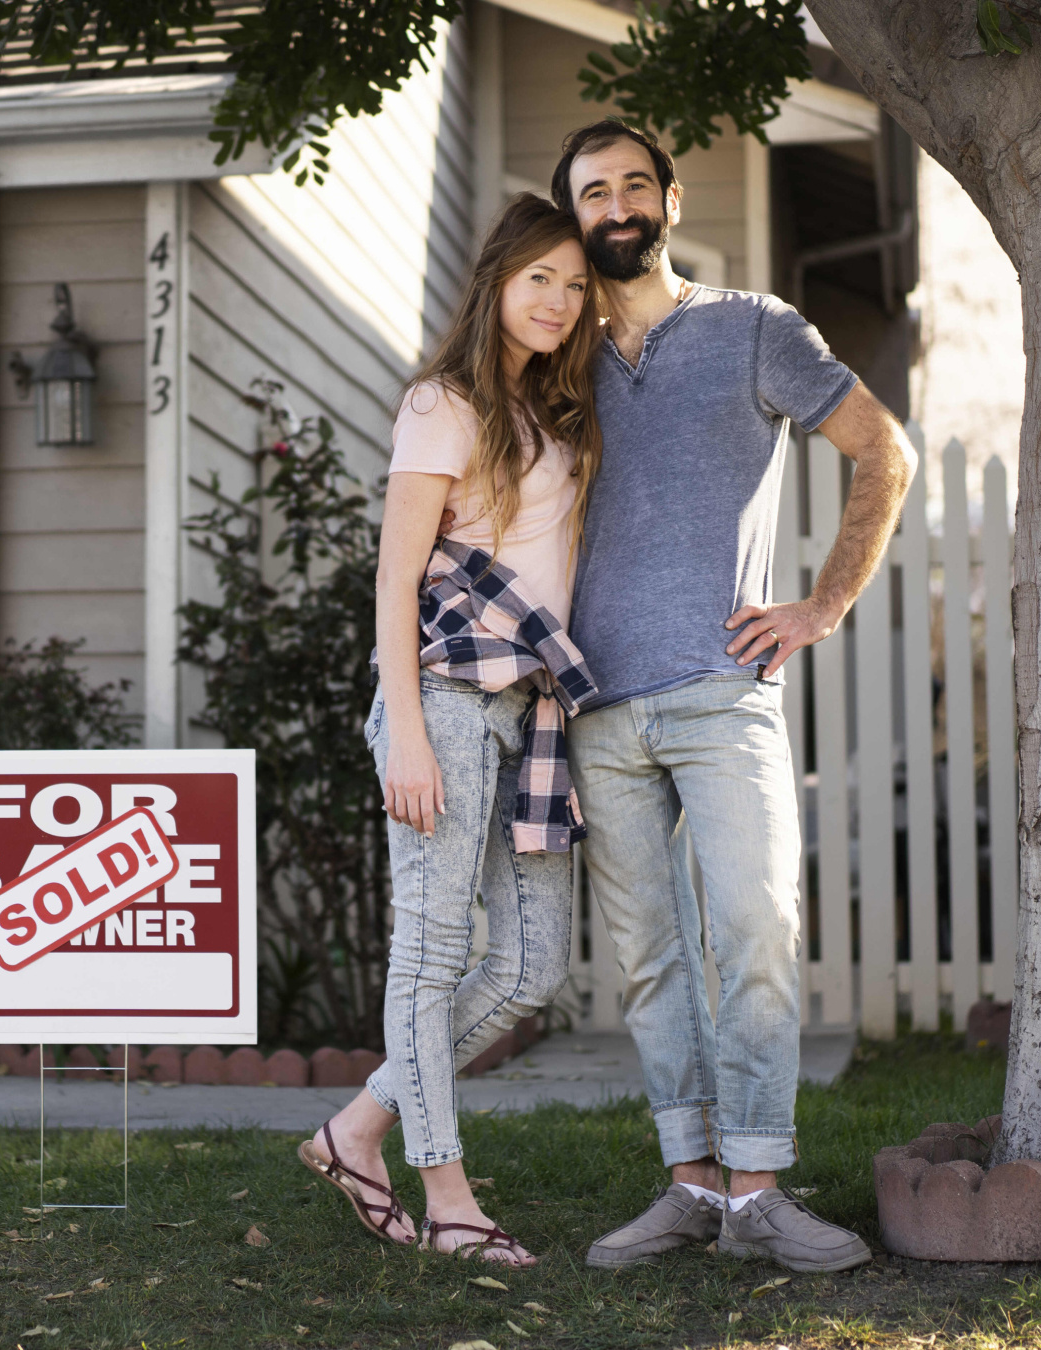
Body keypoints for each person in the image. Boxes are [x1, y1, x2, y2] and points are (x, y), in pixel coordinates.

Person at [549, 119, 916, 1274]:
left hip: (721, 691)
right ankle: (691, 1187)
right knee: (651, 960)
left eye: (632, 185)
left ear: (668, 196)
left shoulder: (754, 330)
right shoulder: (554, 355)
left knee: (756, 929)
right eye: (591, 193)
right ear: (574, 217)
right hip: (596, 708)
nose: (615, 206)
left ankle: (758, 1188)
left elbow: (881, 448)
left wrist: (823, 605)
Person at [299, 194, 603, 1266]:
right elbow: (392, 581)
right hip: (445, 701)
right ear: (496, 283)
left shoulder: (554, 415)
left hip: (530, 717)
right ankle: (450, 1201)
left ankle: (355, 1135)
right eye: (540, 281)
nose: (559, 302)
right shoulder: (445, 404)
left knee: (530, 969)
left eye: (575, 286)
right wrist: (411, 736)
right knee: (430, 958)